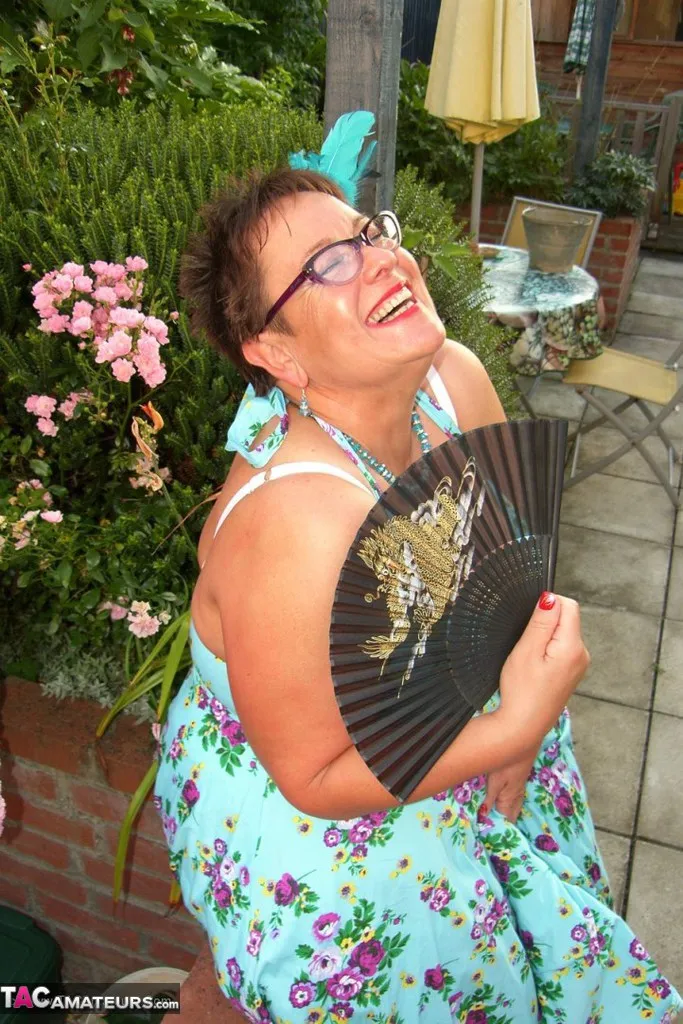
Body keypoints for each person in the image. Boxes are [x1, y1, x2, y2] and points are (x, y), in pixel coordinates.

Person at [153, 167, 682, 1024]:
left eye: (369, 232)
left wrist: (519, 711)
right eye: (327, 264)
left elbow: (511, 562)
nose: (380, 258)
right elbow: (313, 774)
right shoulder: (301, 523)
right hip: (341, 832)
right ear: (276, 353)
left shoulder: (450, 382)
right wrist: (515, 726)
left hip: (464, 743)